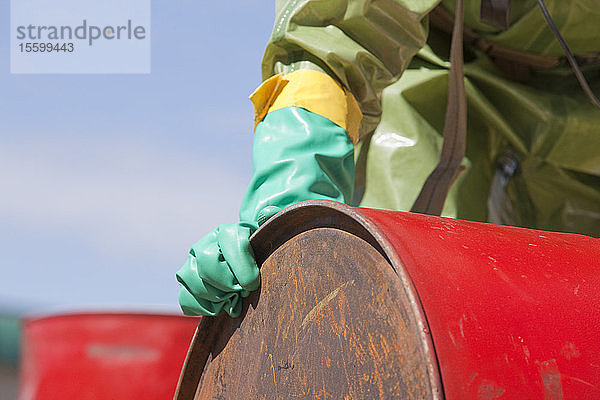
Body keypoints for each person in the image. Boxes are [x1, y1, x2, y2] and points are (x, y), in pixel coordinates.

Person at [177, 0, 600, 317]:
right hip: (440, 71)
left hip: (589, 102)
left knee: (577, 315)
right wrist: (286, 217)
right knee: (404, 287)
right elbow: (332, 39)